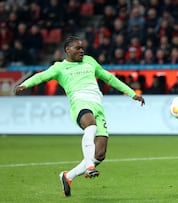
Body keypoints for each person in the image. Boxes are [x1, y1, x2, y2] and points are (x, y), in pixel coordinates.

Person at [14, 36, 145, 197]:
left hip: (98, 106)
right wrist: (24, 84)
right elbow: (41, 76)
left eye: (82, 48)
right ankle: (89, 166)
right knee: (90, 125)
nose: (82, 50)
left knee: (100, 154)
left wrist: (132, 94)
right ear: (68, 50)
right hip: (80, 103)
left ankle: (68, 176)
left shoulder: (90, 61)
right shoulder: (59, 68)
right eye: (78, 48)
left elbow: (109, 77)